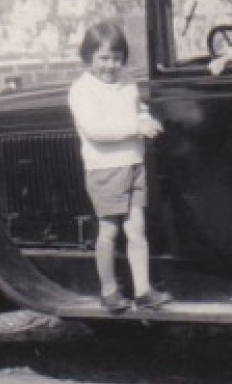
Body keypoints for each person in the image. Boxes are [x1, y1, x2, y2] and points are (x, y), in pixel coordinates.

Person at [68, 21, 172, 313]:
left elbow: (137, 106)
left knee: (137, 229)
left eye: (116, 58)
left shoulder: (127, 82)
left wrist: (144, 117)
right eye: (103, 58)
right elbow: (96, 130)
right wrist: (135, 128)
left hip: (133, 164)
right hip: (105, 169)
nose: (111, 65)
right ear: (89, 57)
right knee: (109, 231)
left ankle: (142, 291)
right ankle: (109, 291)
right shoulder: (82, 90)